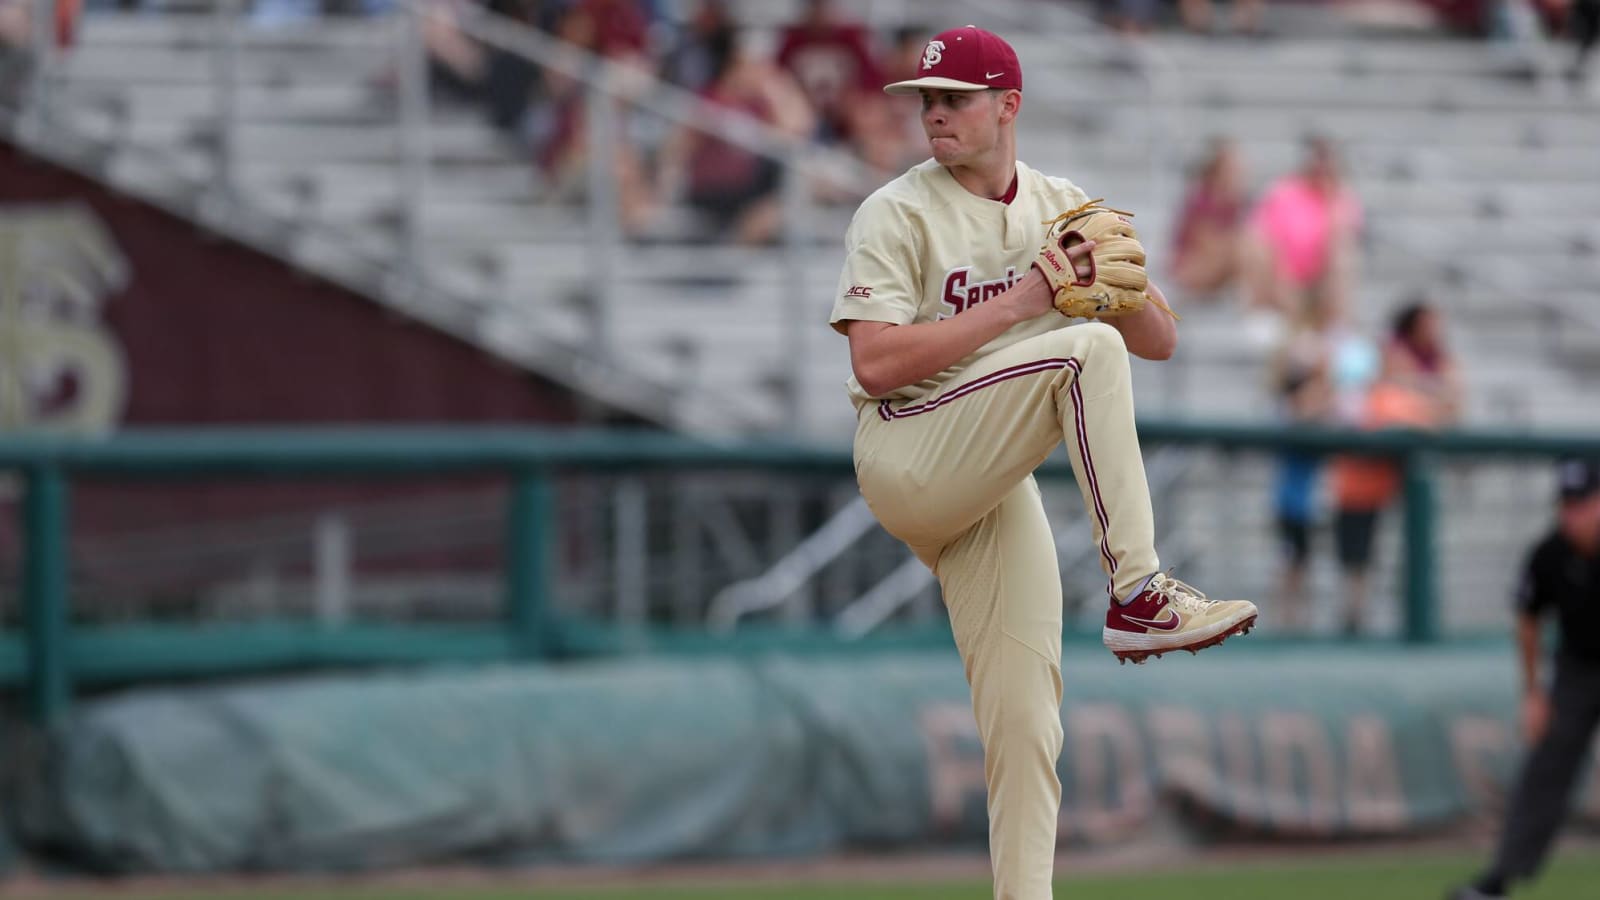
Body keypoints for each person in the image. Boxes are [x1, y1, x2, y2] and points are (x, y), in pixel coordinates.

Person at [827, 26, 1258, 900]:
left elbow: (1162, 340)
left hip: (988, 478)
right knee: (1082, 351)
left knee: (1028, 721)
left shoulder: (1060, 204)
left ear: (1008, 106)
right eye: (925, 101)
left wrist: (1111, 286)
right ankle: (1139, 594)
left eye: (954, 98)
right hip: (908, 449)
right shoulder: (896, 211)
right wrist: (1034, 298)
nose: (934, 114)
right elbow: (872, 363)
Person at [1449, 458, 1600, 900]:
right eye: (1566, 505)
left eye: (1582, 504)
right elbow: (1528, 623)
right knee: (1545, 768)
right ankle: (1500, 879)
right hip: (1576, 668)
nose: (1571, 515)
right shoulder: (1549, 554)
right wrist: (1533, 693)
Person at [1241, 135, 1363, 340]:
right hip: (1283, 274)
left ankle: (1335, 323)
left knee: (1343, 256)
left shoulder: (1342, 199)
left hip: (1321, 278)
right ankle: (1266, 312)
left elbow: (1343, 237)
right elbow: (1265, 235)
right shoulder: (1283, 192)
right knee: (1257, 249)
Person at [1167, 137, 1248, 302]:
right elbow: (1205, 244)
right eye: (1232, 167)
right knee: (1246, 251)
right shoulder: (1201, 199)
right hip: (1191, 269)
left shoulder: (1233, 203)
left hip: (1217, 266)